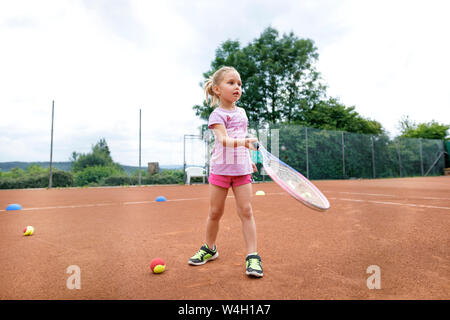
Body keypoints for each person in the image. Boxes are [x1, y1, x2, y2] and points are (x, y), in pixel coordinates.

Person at [188, 66, 263, 278]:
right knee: (215, 212)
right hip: (221, 169)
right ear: (218, 89)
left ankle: (253, 256)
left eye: (239, 84)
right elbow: (223, 140)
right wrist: (246, 143)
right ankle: (210, 249)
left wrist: (250, 160)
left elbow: (241, 135)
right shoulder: (216, 115)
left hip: (241, 170)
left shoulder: (242, 113)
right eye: (231, 83)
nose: (237, 87)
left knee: (246, 211)